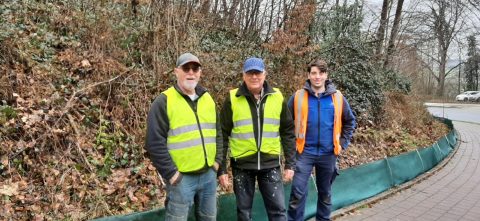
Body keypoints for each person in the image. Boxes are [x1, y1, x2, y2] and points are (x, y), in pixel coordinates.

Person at [145, 53, 223, 221]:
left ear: (200, 72)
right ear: (176, 72)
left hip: (209, 175)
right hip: (181, 179)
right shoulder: (164, 101)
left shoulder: (208, 99)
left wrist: (217, 162)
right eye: (186, 68)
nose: (191, 73)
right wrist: (172, 174)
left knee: (209, 218)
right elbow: (154, 142)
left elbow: (218, 133)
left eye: (195, 68)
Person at [218, 57, 296, 221]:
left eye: (258, 73)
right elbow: (222, 135)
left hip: (270, 165)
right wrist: (222, 169)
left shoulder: (277, 97)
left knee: (278, 212)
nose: (254, 77)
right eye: (250, 73)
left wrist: (290, 163)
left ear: (265, 74)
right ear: (243, 75)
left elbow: (287, 131)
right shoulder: (232, 99)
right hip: (242, 166)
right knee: (244, 214)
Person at [287, 59, 356, 221]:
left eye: (321, 73)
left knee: (325, 194)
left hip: (328, 153)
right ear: (308, 75)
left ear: (326, 75)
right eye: (314, 73)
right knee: (297, 192)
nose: (317, 77)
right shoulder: (298, 97)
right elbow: (286, 124)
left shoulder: (337, 98)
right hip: (304, 152)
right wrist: (290, 148)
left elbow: (350, 121)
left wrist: (342, 143)